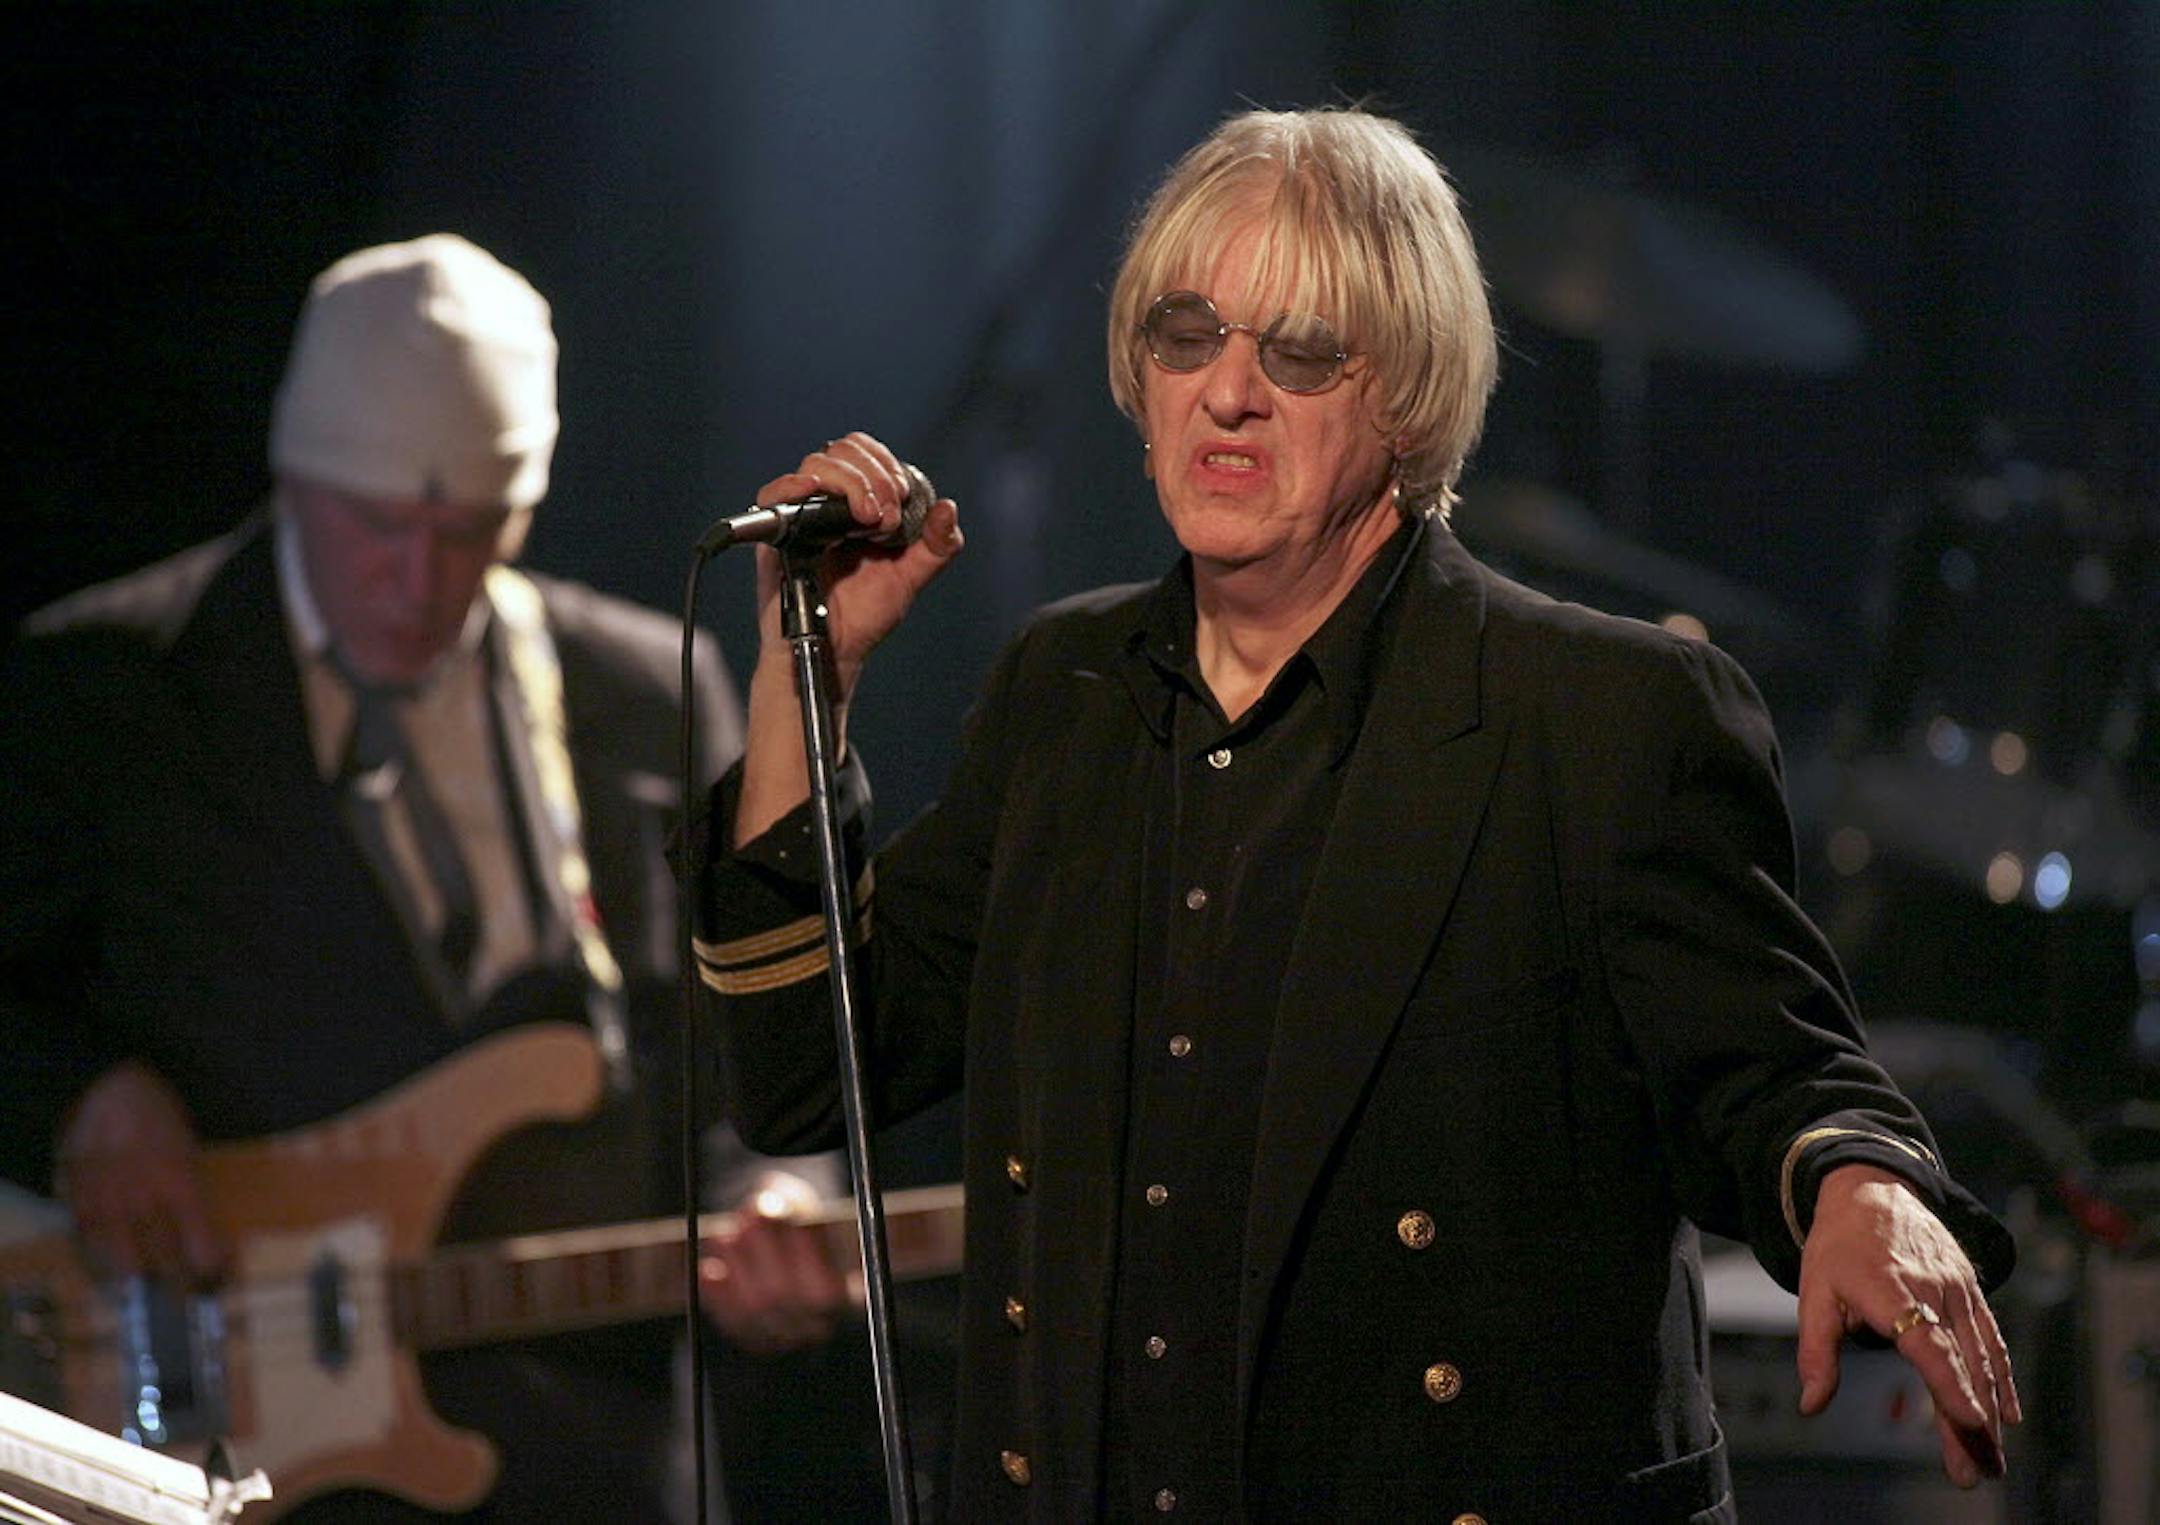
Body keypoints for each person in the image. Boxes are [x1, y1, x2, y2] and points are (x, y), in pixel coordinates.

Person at [692, 109, 2020, 1520]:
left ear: (1409, 393)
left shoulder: (1601, 716)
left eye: (1302, 350)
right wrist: (807, 674)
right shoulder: (1062, 693)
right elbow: (799, 1068)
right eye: (1187, 335)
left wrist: (1859, 1184)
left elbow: (1775, 1073)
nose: (1228, 392)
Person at [0, 234, 845, 1520]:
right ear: (293, 471)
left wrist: (776, 1194)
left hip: (599, 1454)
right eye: (375, 523)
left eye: (470, 531)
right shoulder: (110, 685)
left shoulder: (635, 687)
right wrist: (87, 1099)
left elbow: (736, 1038)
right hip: (244, 1443)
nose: (418, 580)